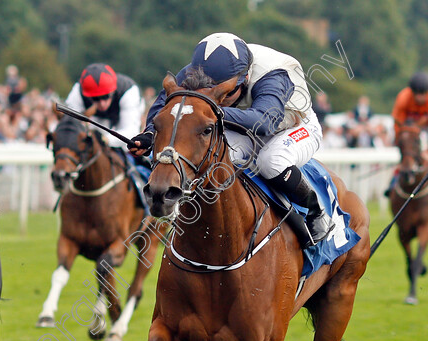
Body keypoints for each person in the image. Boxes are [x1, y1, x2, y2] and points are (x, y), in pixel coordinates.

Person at [130, 33, 333, 247]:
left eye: (224, 94)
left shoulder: (273, 74)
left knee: (271, 161)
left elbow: (265, 122)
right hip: (241, 127)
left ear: (244, 79)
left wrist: (212, 112)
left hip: (292, 126)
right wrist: (149, 135)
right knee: (213, 159)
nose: (219, 99)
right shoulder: (198, 70)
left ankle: (314, 211)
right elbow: (167, 103)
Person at [64, 63, 147, 186]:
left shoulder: (128, 91)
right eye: (96, 99)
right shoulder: (77, 93)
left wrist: (104, 139)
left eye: (105, 97)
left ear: (112, 92)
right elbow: (71, 127)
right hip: (98, 119)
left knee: (127, 148)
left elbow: (130, 132)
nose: (102, 104)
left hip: (125, 120)